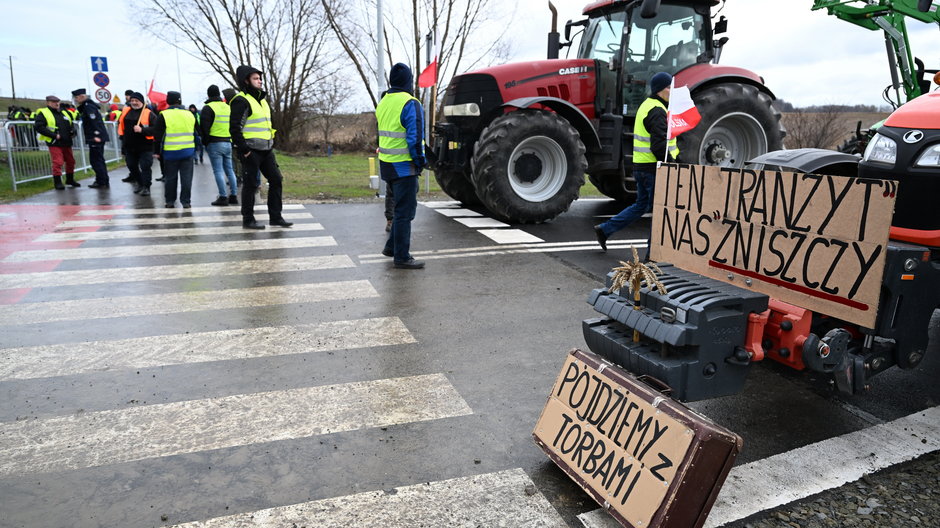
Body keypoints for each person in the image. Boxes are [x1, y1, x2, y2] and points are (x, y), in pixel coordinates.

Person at [594, 71, 679, 254]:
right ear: (660, 90)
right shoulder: (657, 110)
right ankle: (652, 254)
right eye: (669, 87)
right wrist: (671, 164)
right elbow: (658, 146)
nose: (672, 90)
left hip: (641, 167)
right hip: (652, 169)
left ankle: (605, 229)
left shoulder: (646, 105)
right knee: (660, 211)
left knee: (642, 205)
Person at [230, 64, 293, 229]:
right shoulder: (241, 100)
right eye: (255, 78)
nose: (260, 81)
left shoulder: (262, 101)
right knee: (250, 185)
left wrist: (271, 142)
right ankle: (248, 220)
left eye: (260, 78)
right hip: (251, 151)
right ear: (246, 81)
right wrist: (244, 150)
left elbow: (267, 124)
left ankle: (276, 217)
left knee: (276, 180)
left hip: (266, 150)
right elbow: (235, 128)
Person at [376, 63, 426, 269]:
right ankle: (402, 257)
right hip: (404, 166)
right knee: (405, 212)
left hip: (387, 165)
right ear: (409, 81)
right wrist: (420, 162)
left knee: (400, 209)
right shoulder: (410, 103)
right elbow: (415, 138)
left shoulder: (384, 101)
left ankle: (391, 247)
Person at [141, 91, 197, 208]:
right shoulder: (190, 114)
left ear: (168, 101)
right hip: (188, 151)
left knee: (170, 178)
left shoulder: (164, 115)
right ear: (180, 101)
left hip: (170, 152)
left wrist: (156, 151)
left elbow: (157, 135)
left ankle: (170, 201)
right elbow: (196, 132)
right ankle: (186, 202)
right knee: (186, 179)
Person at [201, 84, 238, 206]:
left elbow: (204, 129)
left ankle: (223, 197)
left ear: (209, 95)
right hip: (228, 142)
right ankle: (234, 195)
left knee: (218, 171)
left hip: (215, 143)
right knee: (230, 170)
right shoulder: (228, 107)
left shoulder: (208, 108)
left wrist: (206, 143)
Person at [33, 95, 79, 190]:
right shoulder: (43, 113)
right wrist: (54, 135)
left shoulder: (64, 112)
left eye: (57, 101)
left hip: (67, 141)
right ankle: (57, 182)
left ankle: (70, 179)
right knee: (58, 162)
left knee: (71, 161)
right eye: (54, 102)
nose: (56, 103)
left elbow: (71, 124)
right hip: (55, 142)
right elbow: (39, 127)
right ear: (48, 103)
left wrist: (73, 131)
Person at [118, 92, 156, 196]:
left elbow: (156, 129)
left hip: (145, 146)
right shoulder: (126, 112)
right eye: (132, 101)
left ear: (141, 102)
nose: (134, 103)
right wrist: (123, 146)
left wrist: (142, 130)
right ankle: (140, 184)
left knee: (145, 167)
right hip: (130, 146)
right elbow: (122, 129)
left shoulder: (149, 113)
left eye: (136, 101)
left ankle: (146, 187)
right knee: (131, 166)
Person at [72, 88, 111, 188]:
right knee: (98, 160)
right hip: (96, 137)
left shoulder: (88, 107)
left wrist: (96, 136)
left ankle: (102, 181)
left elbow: (94, 123)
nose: (75, 100)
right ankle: (102, 180)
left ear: (82, 96)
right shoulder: (87, 106)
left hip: (95, 138)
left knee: (96, 161)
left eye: (76, 97)